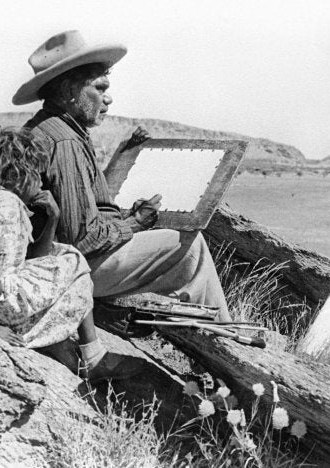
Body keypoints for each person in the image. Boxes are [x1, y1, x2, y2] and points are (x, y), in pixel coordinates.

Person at [12, 30, 232, 321]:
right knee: (191, 248)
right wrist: (134, 224)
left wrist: (124, 158)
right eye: (100, 88)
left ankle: (200, 330)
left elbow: (79, 205)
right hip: (63, 270)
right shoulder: (65, 142)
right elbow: (83, 241)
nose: (109, 99)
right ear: (69, 92)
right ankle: (224, 337)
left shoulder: (48, 128)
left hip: (45, 263)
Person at [0, 128, 141, 381]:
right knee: (74, 262)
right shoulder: (5, 206)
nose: (41, 183)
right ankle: (92, 356)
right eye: (37, 176)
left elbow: (33, 260)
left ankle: (80, 351)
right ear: (17, 175)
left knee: (65, 254)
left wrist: (53, 217)